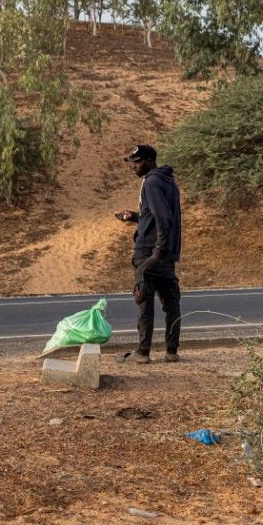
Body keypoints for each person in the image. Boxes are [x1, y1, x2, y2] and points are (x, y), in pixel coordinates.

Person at [114, 144, 182, 363]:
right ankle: (172, 352)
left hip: (149, 253)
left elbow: (164, 218)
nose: (133, 166)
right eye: (132, 162)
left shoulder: (151, 182)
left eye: (138, 161)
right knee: (171, 304)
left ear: (150, 161)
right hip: (167, 255)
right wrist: (134, 216)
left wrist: (156, 253)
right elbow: (156, 215)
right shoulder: (168, 181)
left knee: (144, 301)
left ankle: (142, 353)